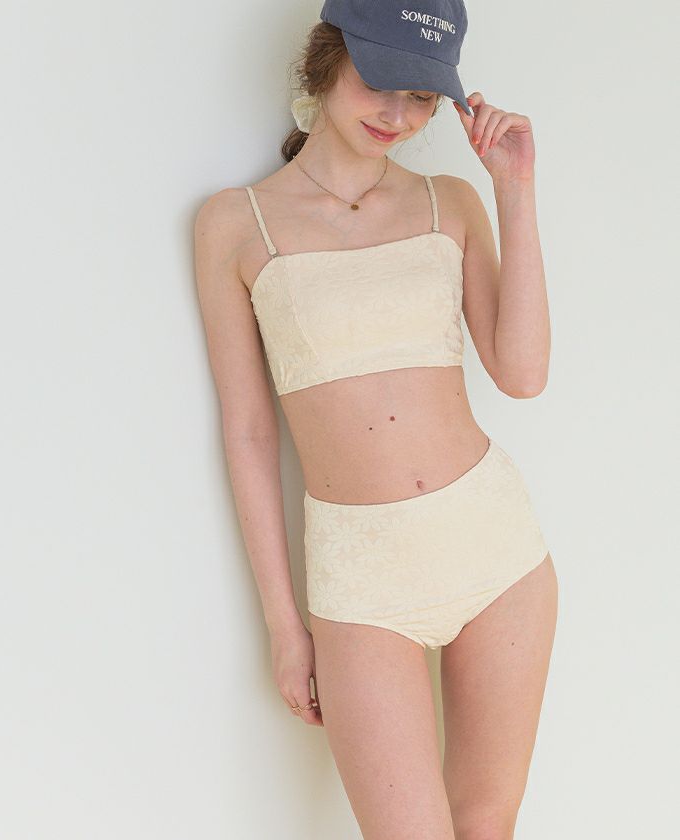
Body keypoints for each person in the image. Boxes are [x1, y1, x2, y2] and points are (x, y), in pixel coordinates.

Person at [194, 1, 558, 837]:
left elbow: (523, 374)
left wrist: (515, 190)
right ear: (327, 59)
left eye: (422, 97)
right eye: (380, 82)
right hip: (361, 578)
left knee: (487, 824)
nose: (398, 115)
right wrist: (285, 626)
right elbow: (248, 433)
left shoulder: (449, 203)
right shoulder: (235, 224)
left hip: (495, 548)